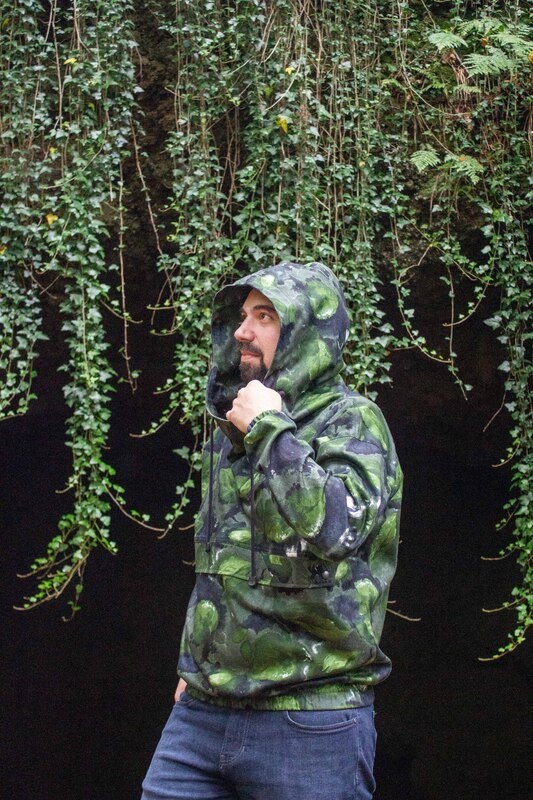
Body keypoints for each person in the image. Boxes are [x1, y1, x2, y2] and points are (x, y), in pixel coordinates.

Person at [141, 261, 403, 800]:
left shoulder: (352, 421)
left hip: (310, 720)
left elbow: (336, 532)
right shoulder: (233, 427)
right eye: (242, 316)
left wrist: (268, 429)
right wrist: (202, 662)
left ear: (308, 331)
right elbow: (226, 559)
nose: (242, 331)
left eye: (265, 316)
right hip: (202, 716)